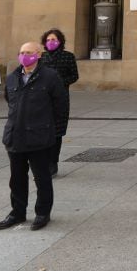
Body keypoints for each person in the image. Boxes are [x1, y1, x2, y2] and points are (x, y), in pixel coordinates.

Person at [0, 41, 68, 231]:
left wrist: (53, 131)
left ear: (38, 54)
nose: (24, 55)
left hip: (39, 136)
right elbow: (10, 102)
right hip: (15, 135)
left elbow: (61, 106)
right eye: (21, 52)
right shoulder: (12, 77)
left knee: (42, 177)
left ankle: (42, 212)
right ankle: (17, 212)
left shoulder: (50, 77)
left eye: (28, 52)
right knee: (17, 178)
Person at [40, 28, 78, 176]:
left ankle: (53, 163)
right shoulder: (41, 58)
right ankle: (43, 162)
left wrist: (60, 83)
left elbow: (74, 76)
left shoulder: (68, 57)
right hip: (42, 100)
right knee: (43, 131)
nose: (51, 42)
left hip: (60, 99)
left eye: (54, 40)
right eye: (48, 40)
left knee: (57, 132)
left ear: (60, 41)